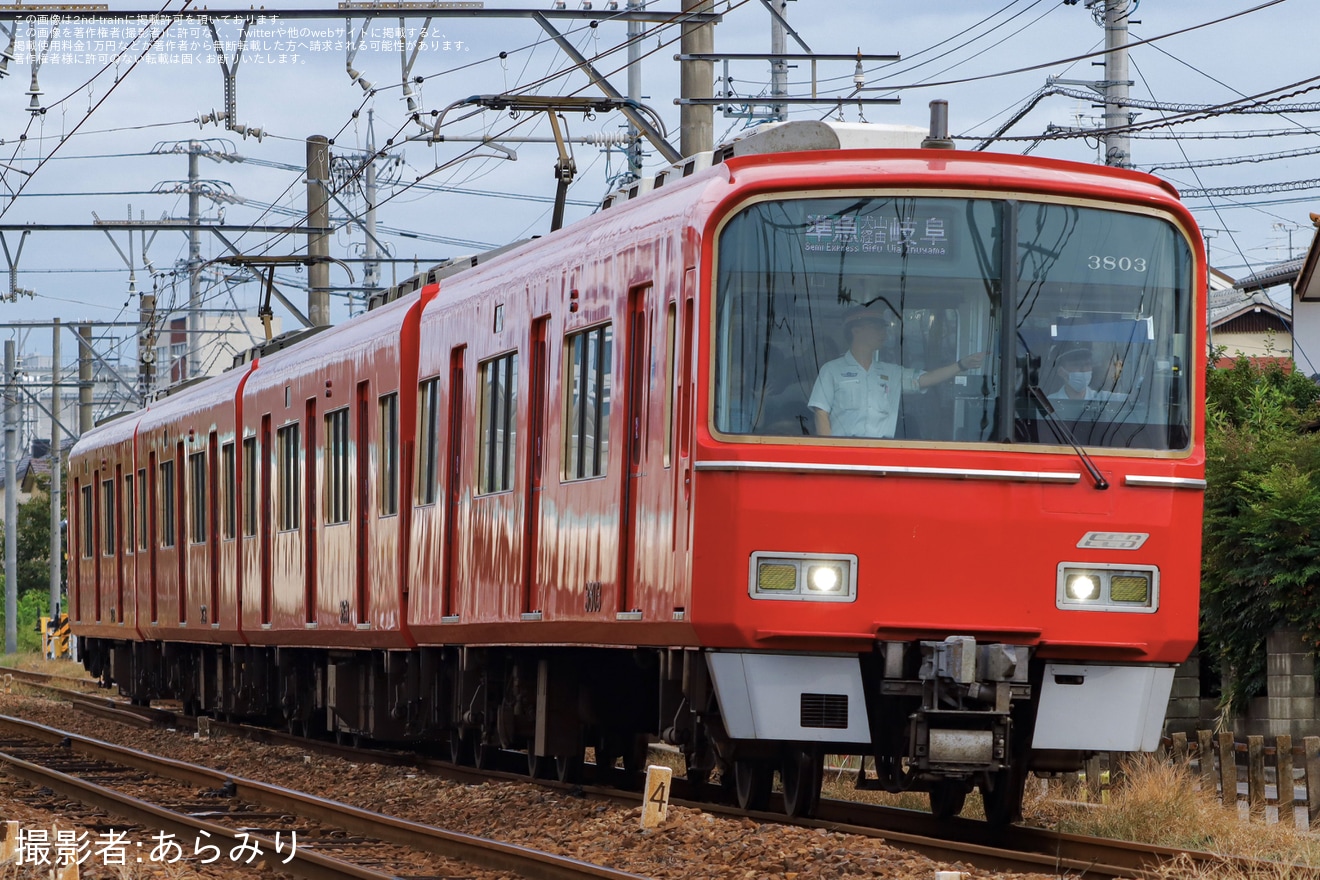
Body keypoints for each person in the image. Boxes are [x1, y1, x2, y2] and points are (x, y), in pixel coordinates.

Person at [807, 307, 984, 438]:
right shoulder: (832, 370)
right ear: (856, 330)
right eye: (877, 327)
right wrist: (831, 455)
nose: (883, 332)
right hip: (845, 455)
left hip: (882, 456)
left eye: (883, 327)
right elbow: (821, 412)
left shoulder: (890, 373)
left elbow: (925, 379)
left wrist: (961, 365)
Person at [1048, 346, 1120, 402]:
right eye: (1076, 365)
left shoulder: (1104, 399)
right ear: (1061, 372)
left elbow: (1129, 398)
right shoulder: (1049, 402)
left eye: (1087, 364)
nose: (1084, 369)